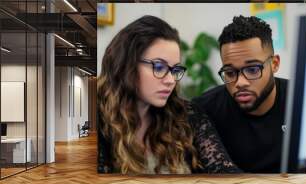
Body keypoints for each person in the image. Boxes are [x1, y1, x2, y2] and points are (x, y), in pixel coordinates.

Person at [97, 15, 241, 174]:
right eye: (159, 67)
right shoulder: (97, 121)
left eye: (175, 70)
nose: (171, 80)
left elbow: (227, 174)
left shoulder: (188, 115)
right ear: (126, 65)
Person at [193, 15, 287, 173]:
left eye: (252, 70)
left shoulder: (300, 100)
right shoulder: (204, 110)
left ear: (274, 64)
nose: (240, 83)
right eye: (230, 72)